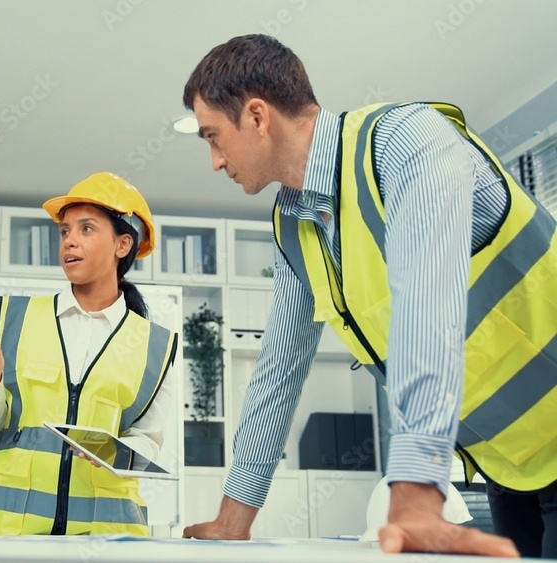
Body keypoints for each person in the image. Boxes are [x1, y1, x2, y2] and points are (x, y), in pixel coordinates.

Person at [179, 34, 555, 558]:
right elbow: (278, 369)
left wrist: (418, 491)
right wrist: (233, 518)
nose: (215, 161)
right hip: (512, 466)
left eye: (213, 137)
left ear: (258, 117)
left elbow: (427, 302)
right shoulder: (295, 225)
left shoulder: (406, 140)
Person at [0, 172, 179, 536]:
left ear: (123, 245)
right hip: (12, 537)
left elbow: (148, 439)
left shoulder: (153, 346)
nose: (69, 242)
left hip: (105, 541)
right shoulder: (18, 318)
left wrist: (111, 453)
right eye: (65, 231)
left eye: (86, 229)